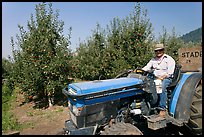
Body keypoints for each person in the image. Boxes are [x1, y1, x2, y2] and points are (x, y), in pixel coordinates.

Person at [142, 43, 175, 117]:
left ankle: (162, 108)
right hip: (155, 77)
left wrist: (161, 78)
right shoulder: (153, 60)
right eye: (156, 51)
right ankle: (149, 105)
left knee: (162, 87)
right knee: (145, 86)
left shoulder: (169, 59)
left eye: (160, 50)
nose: (158, 52)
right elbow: (146, 68)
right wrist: (139, 71)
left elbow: (170, 73)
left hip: (166, 78)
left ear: (163, 50)